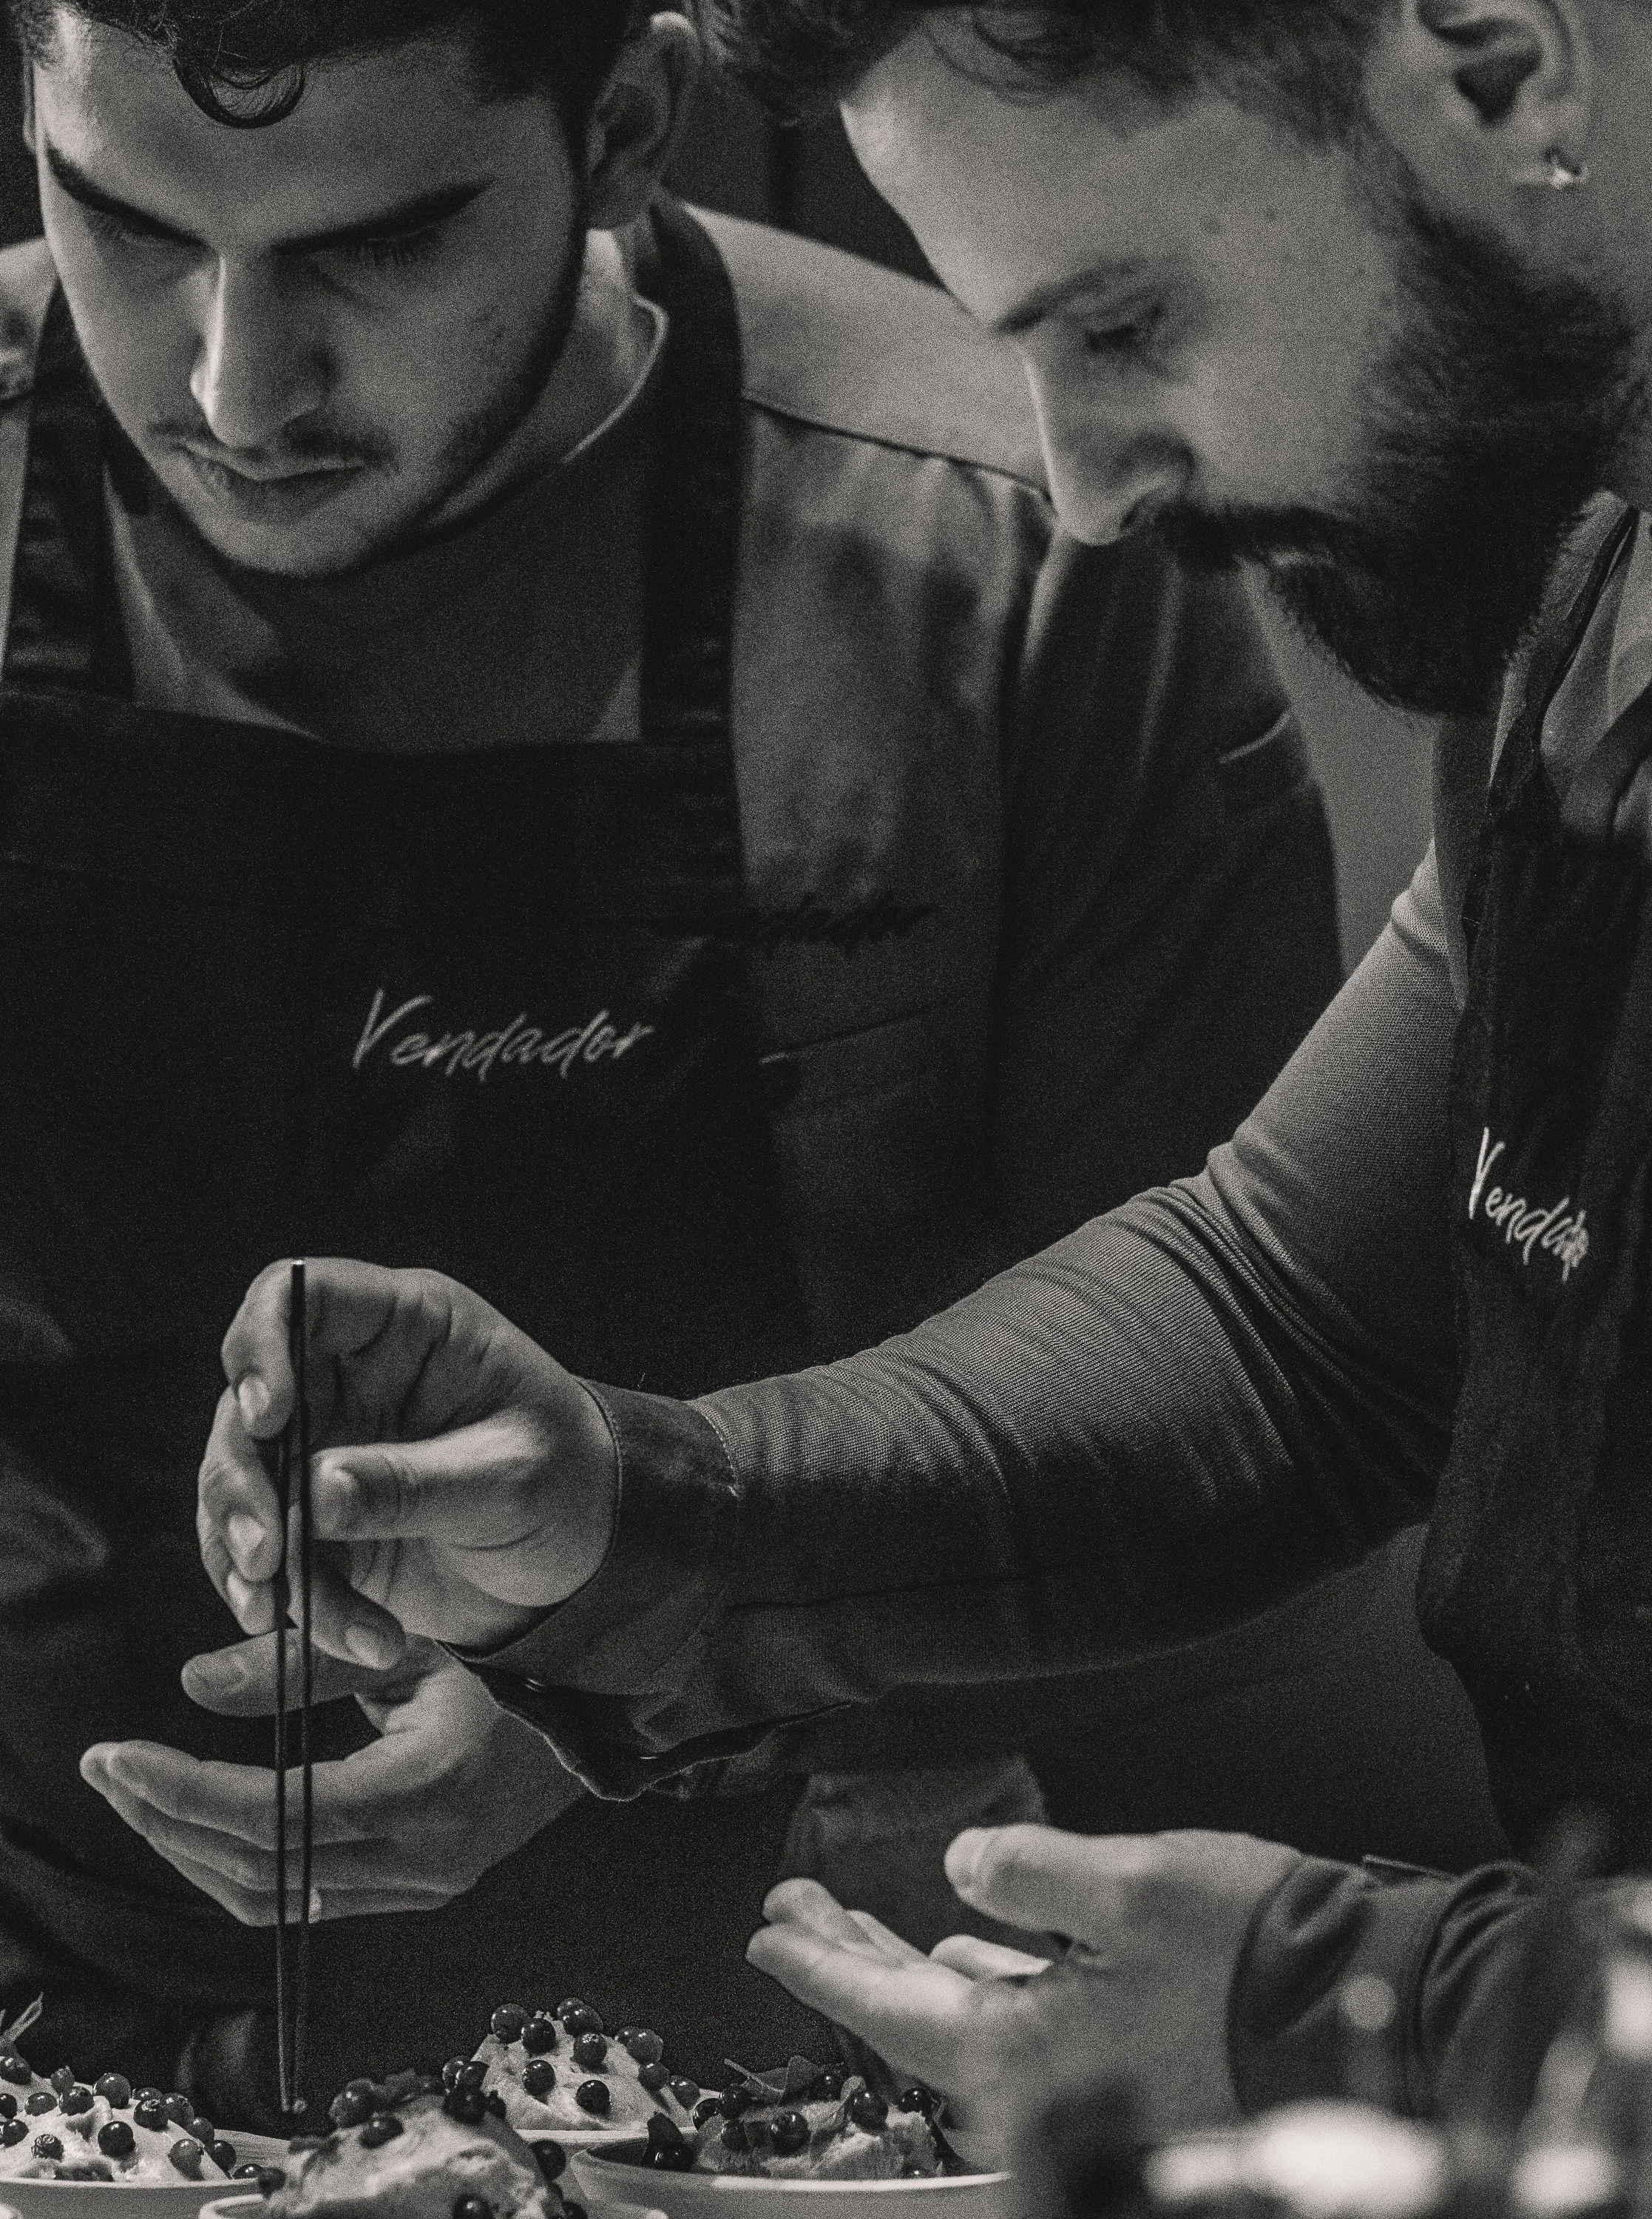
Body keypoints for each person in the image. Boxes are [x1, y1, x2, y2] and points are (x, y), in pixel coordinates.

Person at [177, 0, 1652, 2141]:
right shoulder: (1570, 611)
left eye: (1126, 323)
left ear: (1491, 73)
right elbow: (1285, 1319)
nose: (1082, 480)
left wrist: (1377, 2009)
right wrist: (643, 1509)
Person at [0, 0, 1344, 2130]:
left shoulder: (1011, 542)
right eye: (120, 221)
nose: (231, 385)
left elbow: (1241, 1401)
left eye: (380, 245)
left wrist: (617, 1691)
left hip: (800, 2018)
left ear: (621, 129)